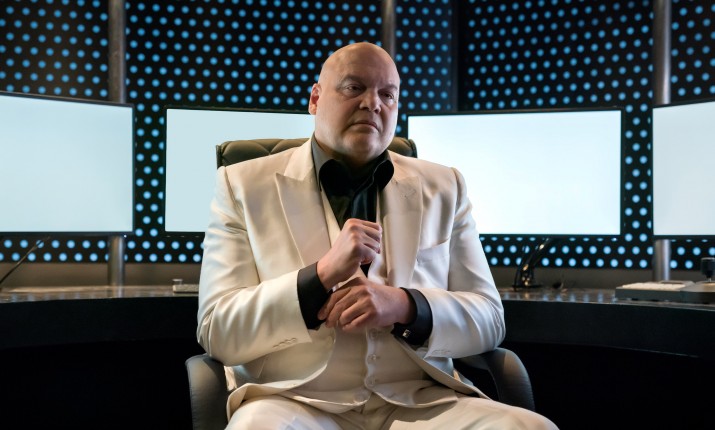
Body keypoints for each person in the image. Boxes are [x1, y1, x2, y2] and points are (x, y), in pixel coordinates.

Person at [197, 41, 558, 429]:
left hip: (419, 401)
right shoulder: (243, 185)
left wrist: (406, 306)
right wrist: (318, 278)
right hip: (293, 402)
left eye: (388, 94)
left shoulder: (445, 187)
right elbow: (218, 330)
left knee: (532, 427)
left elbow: (489, 319)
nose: (373, 103)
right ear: (315, 99)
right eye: (354, 87)